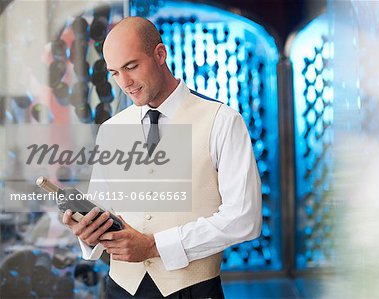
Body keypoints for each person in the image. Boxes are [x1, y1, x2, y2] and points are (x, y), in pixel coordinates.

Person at [62, 16, 261, 298]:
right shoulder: (111, 130)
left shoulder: (222, 121)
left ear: (160, 54)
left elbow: (244, 218)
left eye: (131, 66)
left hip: (191, 290)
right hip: (119, 288)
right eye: (115, 73)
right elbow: (103, 208)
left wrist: (156, 246)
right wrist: (88, 231)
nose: (125, 83)